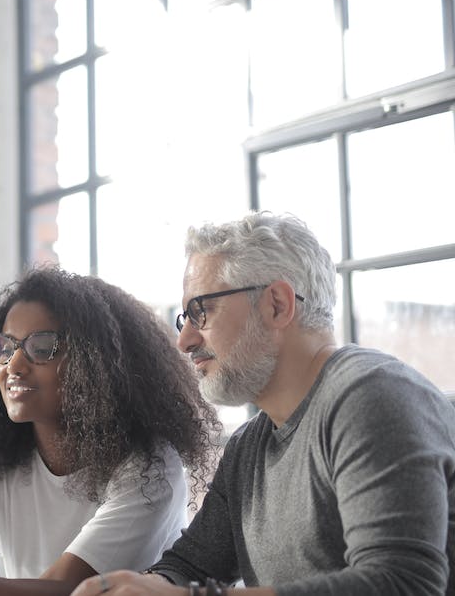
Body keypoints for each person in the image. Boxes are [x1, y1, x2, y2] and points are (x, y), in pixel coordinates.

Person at [73, 211, 455, 596]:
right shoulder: (247, 448)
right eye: (183, 318)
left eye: (200, 311)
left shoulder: (371, 397)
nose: (184, 340)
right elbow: (187, 565)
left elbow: (404, 584)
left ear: (276, 304)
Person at [0, 266, 220, 595]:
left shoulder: (149, 468)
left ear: (94, 361)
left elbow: (68, 589)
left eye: (41, 348)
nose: (13, 365)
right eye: (4, 347)